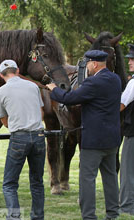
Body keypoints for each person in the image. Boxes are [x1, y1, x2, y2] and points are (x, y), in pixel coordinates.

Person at [46, 50, 121, 220]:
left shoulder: (93, 83)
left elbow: (70, 98)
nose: (86, 67)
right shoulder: (115, 79)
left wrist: (54, 89)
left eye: (87, 63)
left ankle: (88, 216)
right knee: (110, 178)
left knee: (87, 179)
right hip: (112, 140)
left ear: (94, 64)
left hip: (93, 141)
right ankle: (113, 214)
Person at [0, 60, 45, 220]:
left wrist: (14, 126)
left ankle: (14, 217)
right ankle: (38, 217)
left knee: (9, 183)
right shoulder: (33, 86)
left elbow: (3, 118)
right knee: (37, 182)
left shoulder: (0, 92)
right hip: (38, 136)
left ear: (1, 75)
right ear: (17, 71)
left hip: (19, 137)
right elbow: (41, 111)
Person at [119, 43, 134, 215]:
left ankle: (127, 206)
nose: (129, 62)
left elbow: (120, 106)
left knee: (128, 171)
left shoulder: (133, 83)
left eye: (132, 60)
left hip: (132, 133)